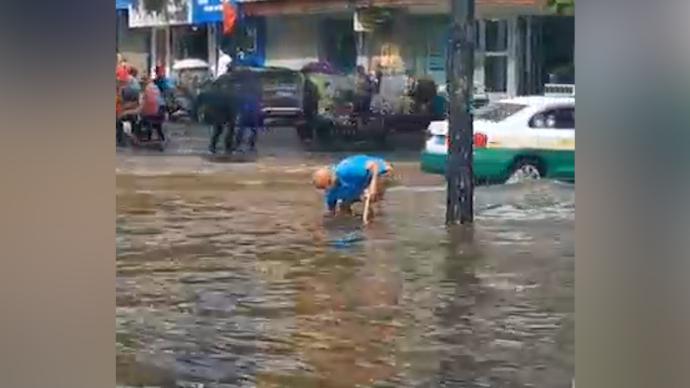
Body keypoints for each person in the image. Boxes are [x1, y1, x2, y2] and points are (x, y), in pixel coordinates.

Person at [312, 155, 393, 221]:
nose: (327, 189)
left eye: (328, 184)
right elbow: (331, 211)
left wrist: (372, 186)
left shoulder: (346, 170)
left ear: (331, 177)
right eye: (324, 188)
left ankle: (374, 221)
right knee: (343, 206)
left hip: (381, 170)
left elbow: (373, 165)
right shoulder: (330, 194)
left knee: (370, 197)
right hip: (360, 180)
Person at [139, 75, 166, 142]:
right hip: (161, 112)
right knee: (157, 124)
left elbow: (145, 104)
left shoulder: (147, 89)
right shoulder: (156, 87)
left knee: (141, 118)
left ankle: (145, 136)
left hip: (153, 113)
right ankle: (161, 137)